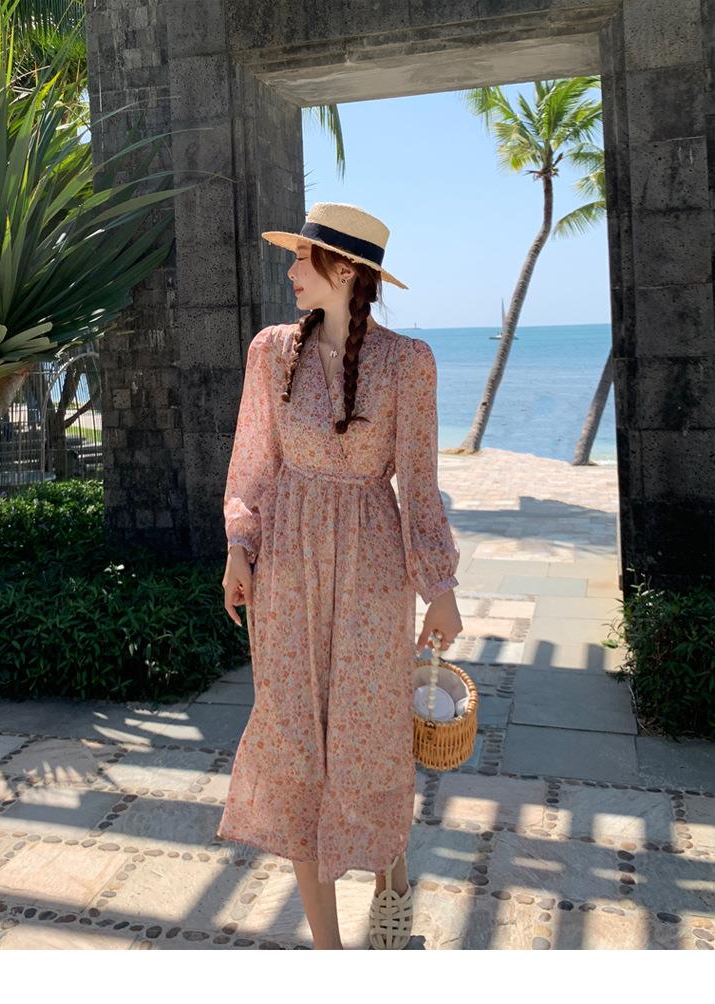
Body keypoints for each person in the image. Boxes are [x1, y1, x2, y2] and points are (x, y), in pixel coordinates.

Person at [218, 202, 462, 950]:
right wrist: (238, 546)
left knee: (368, 737)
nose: (292, 268)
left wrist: (441, 587)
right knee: (294, 741)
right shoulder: (270, 352)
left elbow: (419, 484)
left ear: (346, 270)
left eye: (304, 256)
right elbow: (253, 462)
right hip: (287, 564)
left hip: (372, 569)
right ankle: (330, 955)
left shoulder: (408, 363)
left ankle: (391, 881)